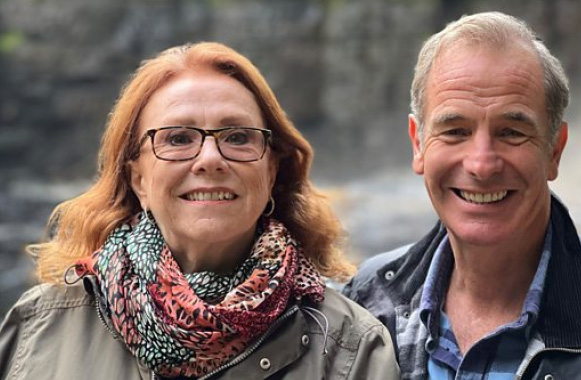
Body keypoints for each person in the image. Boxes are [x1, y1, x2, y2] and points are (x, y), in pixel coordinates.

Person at [343, 12, 581, 379]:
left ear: (554, 151)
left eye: (511, 132)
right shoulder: (364, 304)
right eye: (455, 131)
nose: (481, 164)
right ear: (418, 145)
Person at [0, 42, 399, 380]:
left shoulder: (351, 350)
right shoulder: (38, 330)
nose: (210, 159)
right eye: (177, 138)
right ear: (138, 179)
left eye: (238, 137)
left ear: (272, 168)